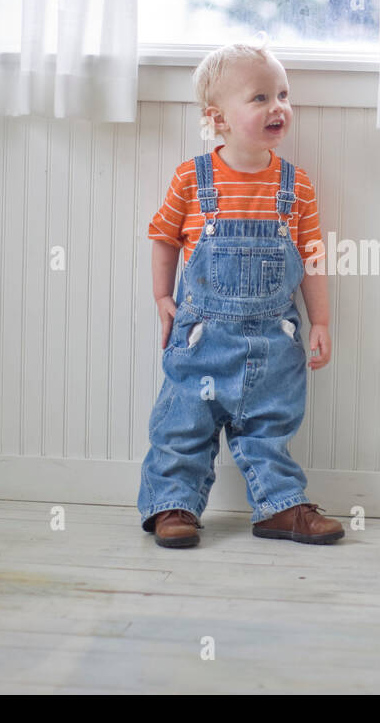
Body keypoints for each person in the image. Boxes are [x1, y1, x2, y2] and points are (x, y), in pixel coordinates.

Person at [138, 42, 343, 548]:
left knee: (270, 428)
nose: (278, 107)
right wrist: (163, 298)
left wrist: (320, 321)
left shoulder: (297, 188)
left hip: (275, 339)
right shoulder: (193, 178)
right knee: (184, 424)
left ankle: (280, 507)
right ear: (217, 119)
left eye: (282, 94)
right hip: (203, 337)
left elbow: (312, 258)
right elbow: (163, 237)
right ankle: (173, 506)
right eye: (260, 97)